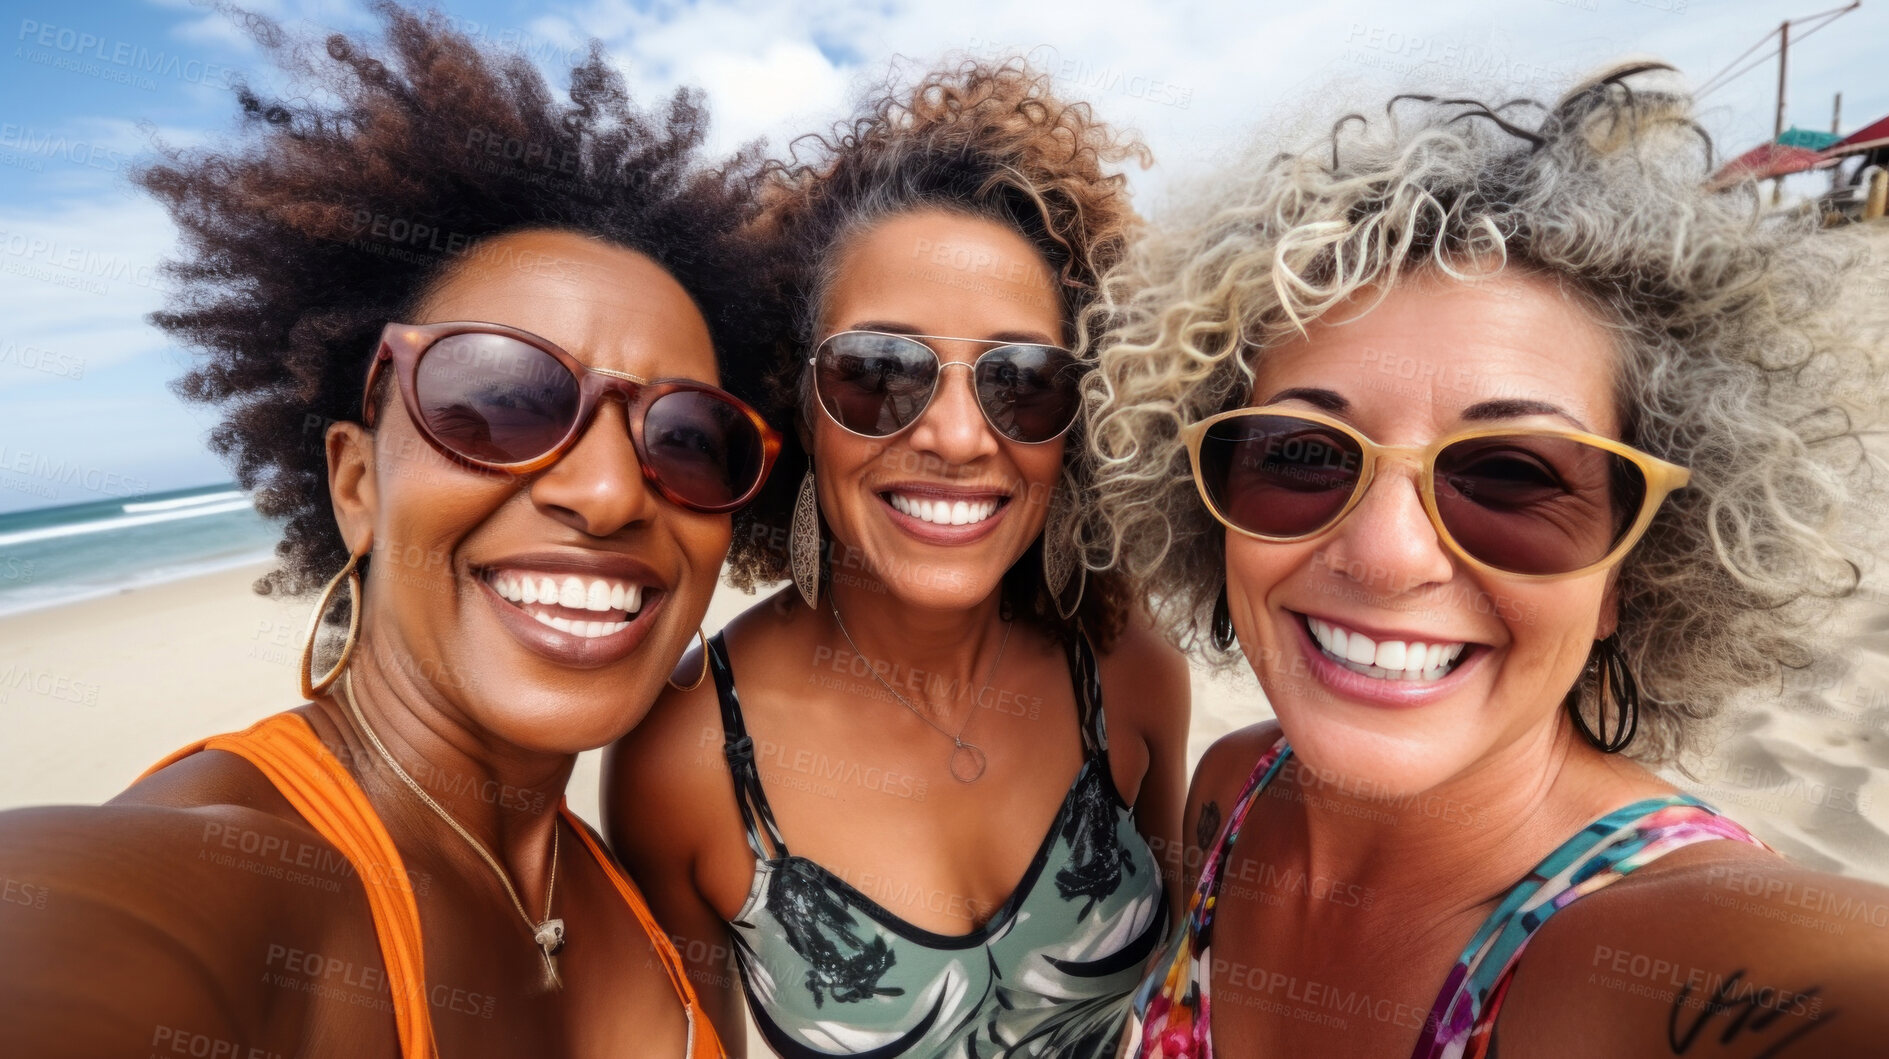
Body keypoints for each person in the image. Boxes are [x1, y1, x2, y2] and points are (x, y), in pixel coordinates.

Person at [0, 9, 783, 1057]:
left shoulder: (619, 878)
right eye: (501, 398)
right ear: (357, 483)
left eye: (688, 438)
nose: (607, 494)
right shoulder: (239, 880)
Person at [1088, 64, 1889, 1057]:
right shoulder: (1227, 794)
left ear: (1632, 570)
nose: (1385, 553)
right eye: (1298, 455)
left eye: (1510, 475)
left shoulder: (1643, 957)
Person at [605, 59, 1190, 1057]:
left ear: (1078, 424)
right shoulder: (682, 762)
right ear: (796, 403)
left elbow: (1185, 995)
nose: (959, 437)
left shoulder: (1128, 669)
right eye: (880, 372)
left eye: (1020, 382)